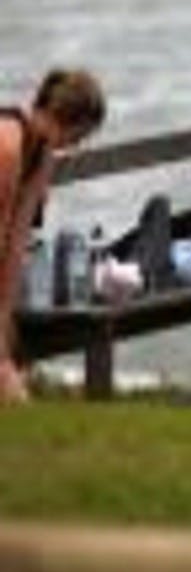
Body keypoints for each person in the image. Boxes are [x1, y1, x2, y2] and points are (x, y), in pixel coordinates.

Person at [0, 70, 106, 404]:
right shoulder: (8, 147)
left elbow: (16, 242)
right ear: (71, 121)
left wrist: (4, 319)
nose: (76, 145)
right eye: (80, 136)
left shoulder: (41, 155)